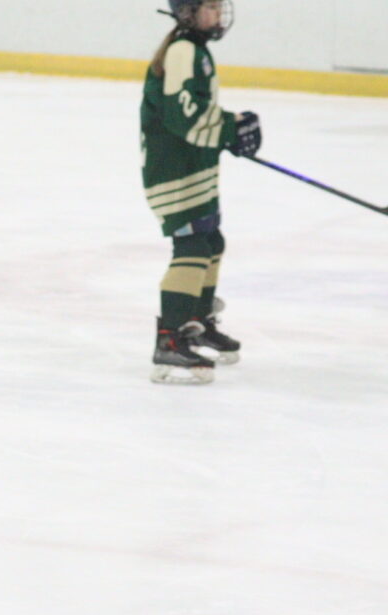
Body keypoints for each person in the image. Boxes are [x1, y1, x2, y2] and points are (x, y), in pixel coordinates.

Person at [141, 0, 262, 384]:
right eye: (209, 6)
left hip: (195, 165)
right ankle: (169, 340)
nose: (218, 14)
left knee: (211, 240)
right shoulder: (181, 51)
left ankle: (197, 318)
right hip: (174, 171)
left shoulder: (195, 50)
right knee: (192, 246)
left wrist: (234, 123)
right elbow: (181, 115)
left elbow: (196, 110)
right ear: (188, 12)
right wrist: (229, 128)